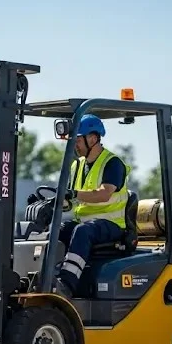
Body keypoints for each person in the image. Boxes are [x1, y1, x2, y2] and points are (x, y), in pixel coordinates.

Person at [53, 114, 130, 298]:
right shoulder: (76, 166)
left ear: (93, 139)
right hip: (87, 223)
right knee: (58, 229)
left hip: (111, 224)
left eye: (78, 140)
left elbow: (104, 194)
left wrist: (75, 194)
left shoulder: (112, 163)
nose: (75, 145)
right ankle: (47, 277)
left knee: (82, 232)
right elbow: (71, 199)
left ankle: (66, 285)